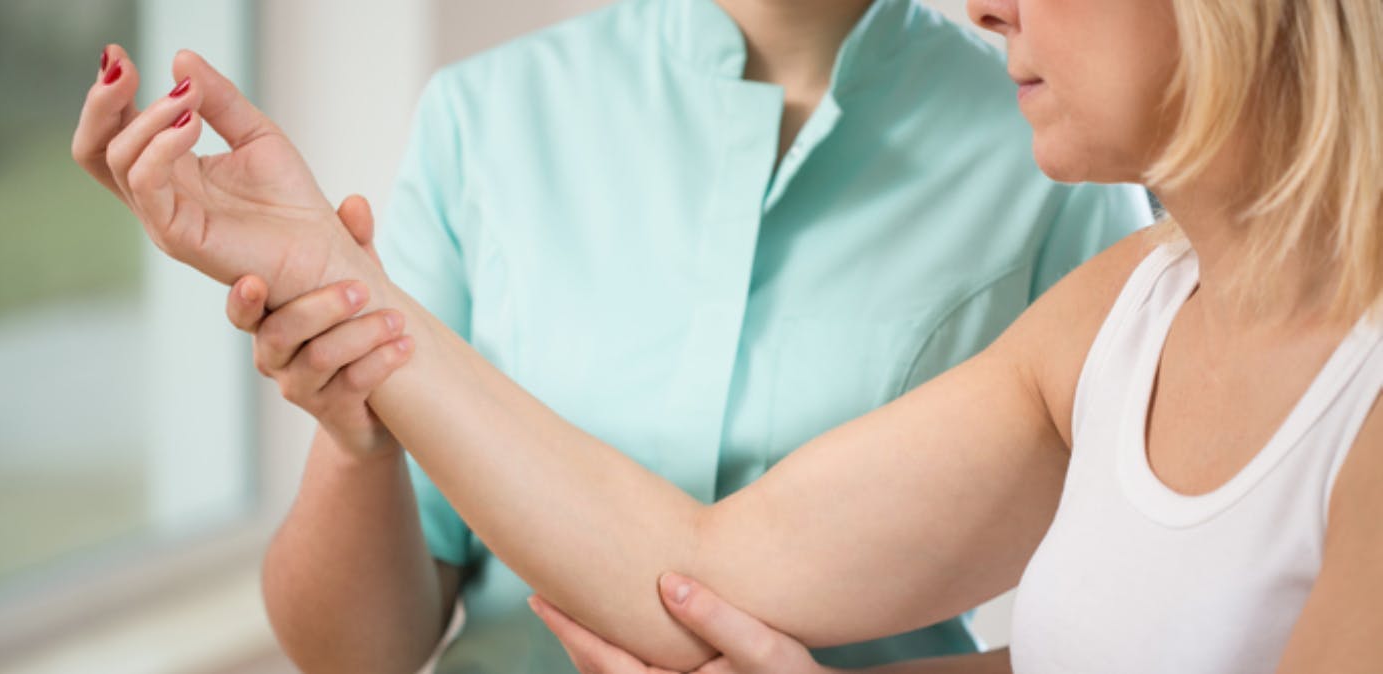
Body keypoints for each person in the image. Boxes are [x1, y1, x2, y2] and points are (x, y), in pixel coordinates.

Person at [72, 0, 1383, 671]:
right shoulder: (1133, 310)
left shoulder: (1066, 177)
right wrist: (330, 283)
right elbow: (703, 562)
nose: (991, 2)